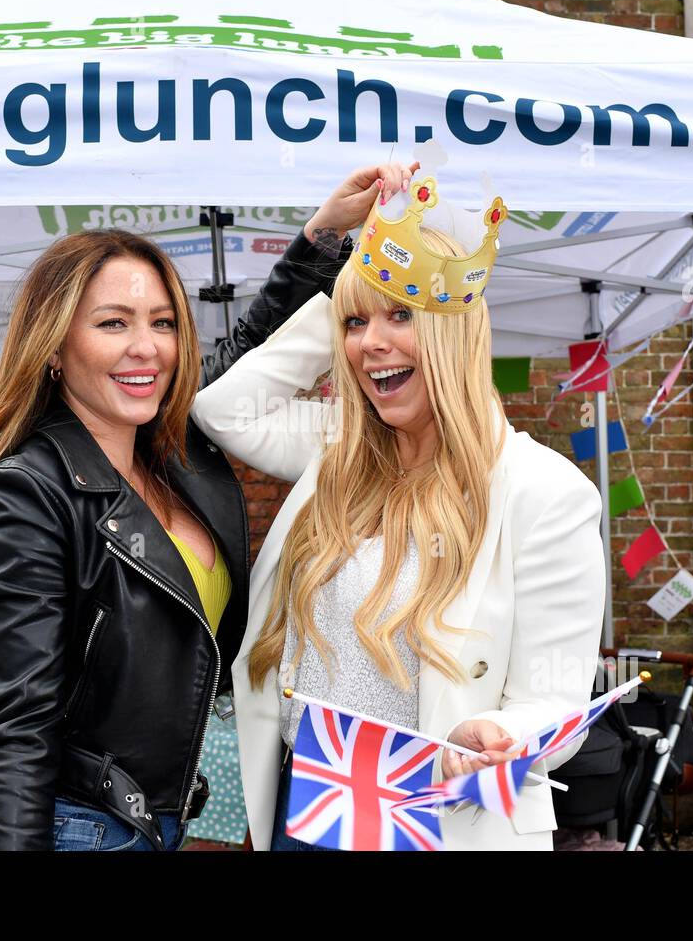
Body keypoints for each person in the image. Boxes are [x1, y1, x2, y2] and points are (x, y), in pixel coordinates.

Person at [0, 162, 418, 850]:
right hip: (68, 831)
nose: (147, 349)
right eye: (113, 323)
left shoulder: (176, 451)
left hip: (153, 825)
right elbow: (18, 726)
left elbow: (251, 345)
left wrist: (322, 238)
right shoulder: (26, 490)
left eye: (163, 323)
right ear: (55, 346)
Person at [190, 173, 607, 850]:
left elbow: (556, 702)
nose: (368, 344)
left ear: (454, 331)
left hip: (438, 818)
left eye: (402, 315)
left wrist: (498, 736)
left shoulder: (543, 492)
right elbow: (221, 408)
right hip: (308, 808)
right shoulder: (340, 451)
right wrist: (336, 271)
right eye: (356, 324)